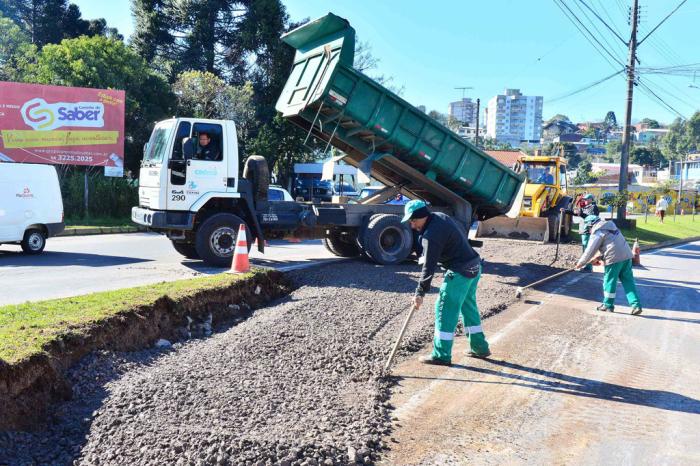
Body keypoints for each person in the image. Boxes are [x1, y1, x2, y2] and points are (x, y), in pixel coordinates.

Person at [402, 199, 490, 366]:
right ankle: (480, 347)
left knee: (444, 309)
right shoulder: (439, 217)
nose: (412, 225)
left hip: (460, 272)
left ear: (421, 216)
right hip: (474, 266)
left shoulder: (430, 236)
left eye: (413, 221)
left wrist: (419, 293)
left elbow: (428, 267)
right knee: (468, 307)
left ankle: (441, 355)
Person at [574, 215, 642, 315]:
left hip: (613, 259)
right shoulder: (611, 226)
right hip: (627, 257)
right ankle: (636, 305)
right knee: (628, 282)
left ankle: (608, 305)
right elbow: (612, 244)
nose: (588, 230)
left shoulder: (598, 231)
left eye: (588, 228)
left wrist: (580, 264)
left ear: (591, 225)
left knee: (609, 281)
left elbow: (590, 251)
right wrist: (599, 258)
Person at [563, 193, 600, 272]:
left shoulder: (593, 207)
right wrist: (566, 211)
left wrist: (581, 214)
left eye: (587, 199)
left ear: (591, 199)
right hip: (584, 230)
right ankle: (586, 266)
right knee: (585, 249)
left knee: (587, 249)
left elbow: (590, 217)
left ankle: (588, 267)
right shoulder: (586, 207)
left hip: (588, 231)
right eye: (585, 199)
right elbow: (576, 213)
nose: (585, 200)